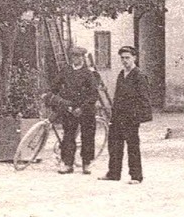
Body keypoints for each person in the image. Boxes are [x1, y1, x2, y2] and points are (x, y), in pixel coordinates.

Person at [45, 45, 102, 175]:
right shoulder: (66, 71)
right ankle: (68, 164)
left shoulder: (89, 73)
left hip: (85, 109)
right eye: (73, 56)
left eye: (78, 56)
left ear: (83, 58)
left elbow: (94, 94)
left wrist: (82, 108)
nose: (75, 59)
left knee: (87, 135)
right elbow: (54, 86)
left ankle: (86, 163)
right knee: (68, 135)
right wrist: (54, 97)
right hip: (70, 108)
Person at [102, 45, 154, 184]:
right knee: (114, 145)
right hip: (118, 116)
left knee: (132, 146)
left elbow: (144, 98)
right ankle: (113, 173)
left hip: (131, 117)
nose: (124, 61)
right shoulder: (121, 74)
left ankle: (136, 176)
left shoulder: (139, 75)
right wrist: (113, 116)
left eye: (127, 58)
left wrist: (137, 117)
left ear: (134, 58)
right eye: (122, 58)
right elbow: (118, 96)